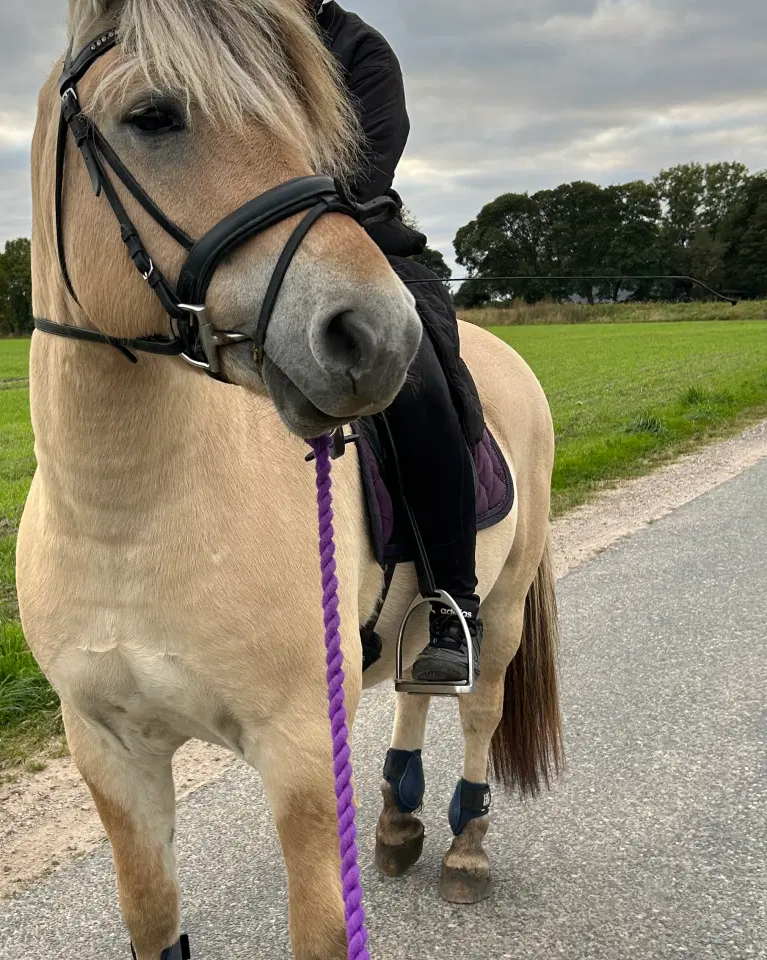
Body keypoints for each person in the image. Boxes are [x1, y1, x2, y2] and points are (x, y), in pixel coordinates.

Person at [310, 0, 485, 685]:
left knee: (416, 387)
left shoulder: (361, 53)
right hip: (246, 264)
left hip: (355, 248)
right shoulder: (233, 45)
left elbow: (365, 172)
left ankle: (453, 608)